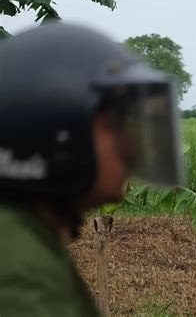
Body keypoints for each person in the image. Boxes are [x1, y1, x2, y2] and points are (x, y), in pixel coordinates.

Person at [0, 23, 183, 316]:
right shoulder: (21, 277)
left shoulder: (26, 239)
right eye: (116, 123)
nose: (133, 147)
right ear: (56, 133)